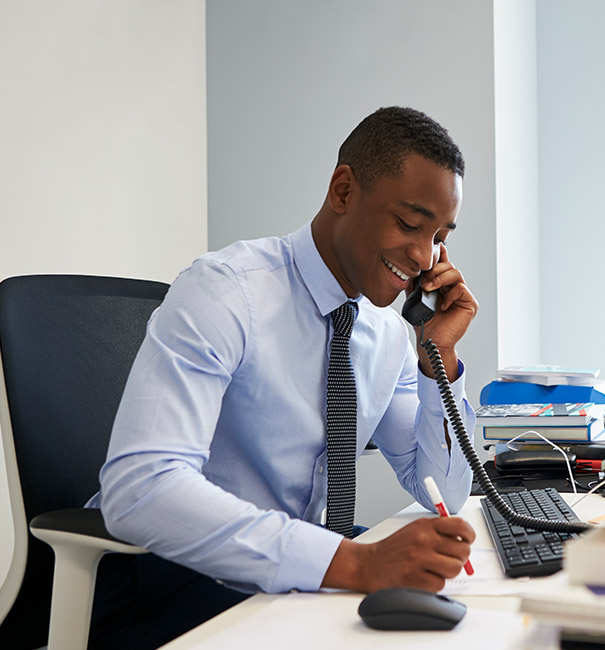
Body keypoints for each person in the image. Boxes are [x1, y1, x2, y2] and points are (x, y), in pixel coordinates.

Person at [86, 106, 478, 648]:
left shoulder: (386, 335)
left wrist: (440, 359)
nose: (422, 256)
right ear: (343, 191)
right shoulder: (226, 292)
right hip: (169, 579)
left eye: (438, 236)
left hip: (279, 576)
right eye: (410, 224)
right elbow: (141, 489)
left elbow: (447, 491)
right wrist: (354, 564)